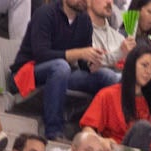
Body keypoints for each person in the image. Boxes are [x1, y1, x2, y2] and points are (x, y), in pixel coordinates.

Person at [9, 0, 120, 140]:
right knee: (61, 67)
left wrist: (93, 63)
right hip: (27, 72)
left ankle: (97, 131)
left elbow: (83, 62)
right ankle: (54, 132)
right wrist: (79, 53)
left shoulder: (84, 20)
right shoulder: (45, 13)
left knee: (109, 76)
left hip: (63, 74)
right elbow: (41, 54)